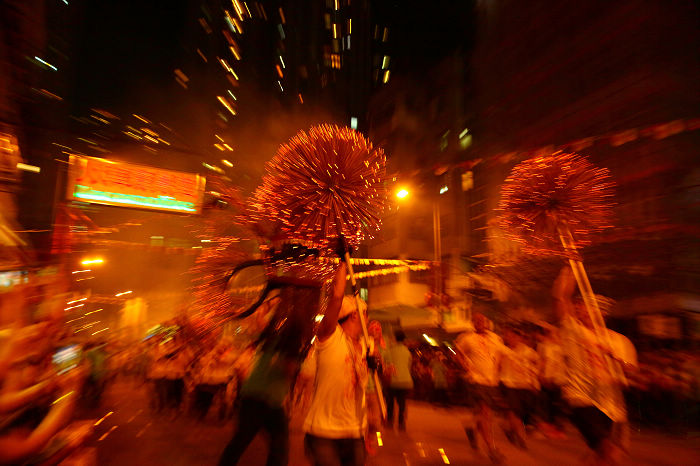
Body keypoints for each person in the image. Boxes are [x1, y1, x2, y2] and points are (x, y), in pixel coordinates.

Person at [219, 260, 343, 466]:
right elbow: (287, 368)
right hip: (262, 399)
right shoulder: (292, 333)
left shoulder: (283, 331)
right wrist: (300, 370)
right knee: (265, 445)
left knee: (261, 444)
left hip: (262, 398)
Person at [553, 266, 627, 465]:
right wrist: (568, 270)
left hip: (608, 403)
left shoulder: (613, 339)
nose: (580, 309)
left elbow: (626, 370)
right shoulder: (573, 330)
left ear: (601, 313)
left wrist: (617, 362)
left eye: (586, 306)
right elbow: (561, 298)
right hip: (582, 399)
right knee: (607, 451)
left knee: (600, 453)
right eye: (579, 306)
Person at [303, 261, 370, 466]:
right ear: (355, 315)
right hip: (324, 432)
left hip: (355, 431)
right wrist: (342, 264)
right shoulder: (330, 336)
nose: (368, 320)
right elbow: (337, 297)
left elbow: (363, 386)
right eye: (366, 314)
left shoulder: (365, 346)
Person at [454, 313, 505, 463]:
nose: (480, 322)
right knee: (485, 413)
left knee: (482, 414)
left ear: (487, 322)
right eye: (476, 320)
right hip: (476, 380)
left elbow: (501, 354)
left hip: (491, 381)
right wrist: (465, 367)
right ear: (473, 323)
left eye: (482, 320)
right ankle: (491, 449)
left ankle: (471, 428)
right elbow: (457, 353)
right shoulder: (467, 338)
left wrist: (498, 369)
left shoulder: (495, 338)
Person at [499, 327, 540, 450]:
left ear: (520, 338)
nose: (510, 339)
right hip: (509, 385)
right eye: (508, 336)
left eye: (513, 336)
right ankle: (521, 437)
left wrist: (534, 379)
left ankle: (509, 429)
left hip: (525, 385)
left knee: (521, 413)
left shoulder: (528, 351)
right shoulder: (503, 351)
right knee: (514, 411)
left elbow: (538, 363)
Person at [384, 329, 413, 432]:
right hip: (406, 381)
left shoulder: (390, 351)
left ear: (395, 339)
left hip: (393, 381)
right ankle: (401, 421)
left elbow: (386, 366)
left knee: (390, 401)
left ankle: (390, 420)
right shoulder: (408, 352)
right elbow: (409, 367)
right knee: (402, 402)